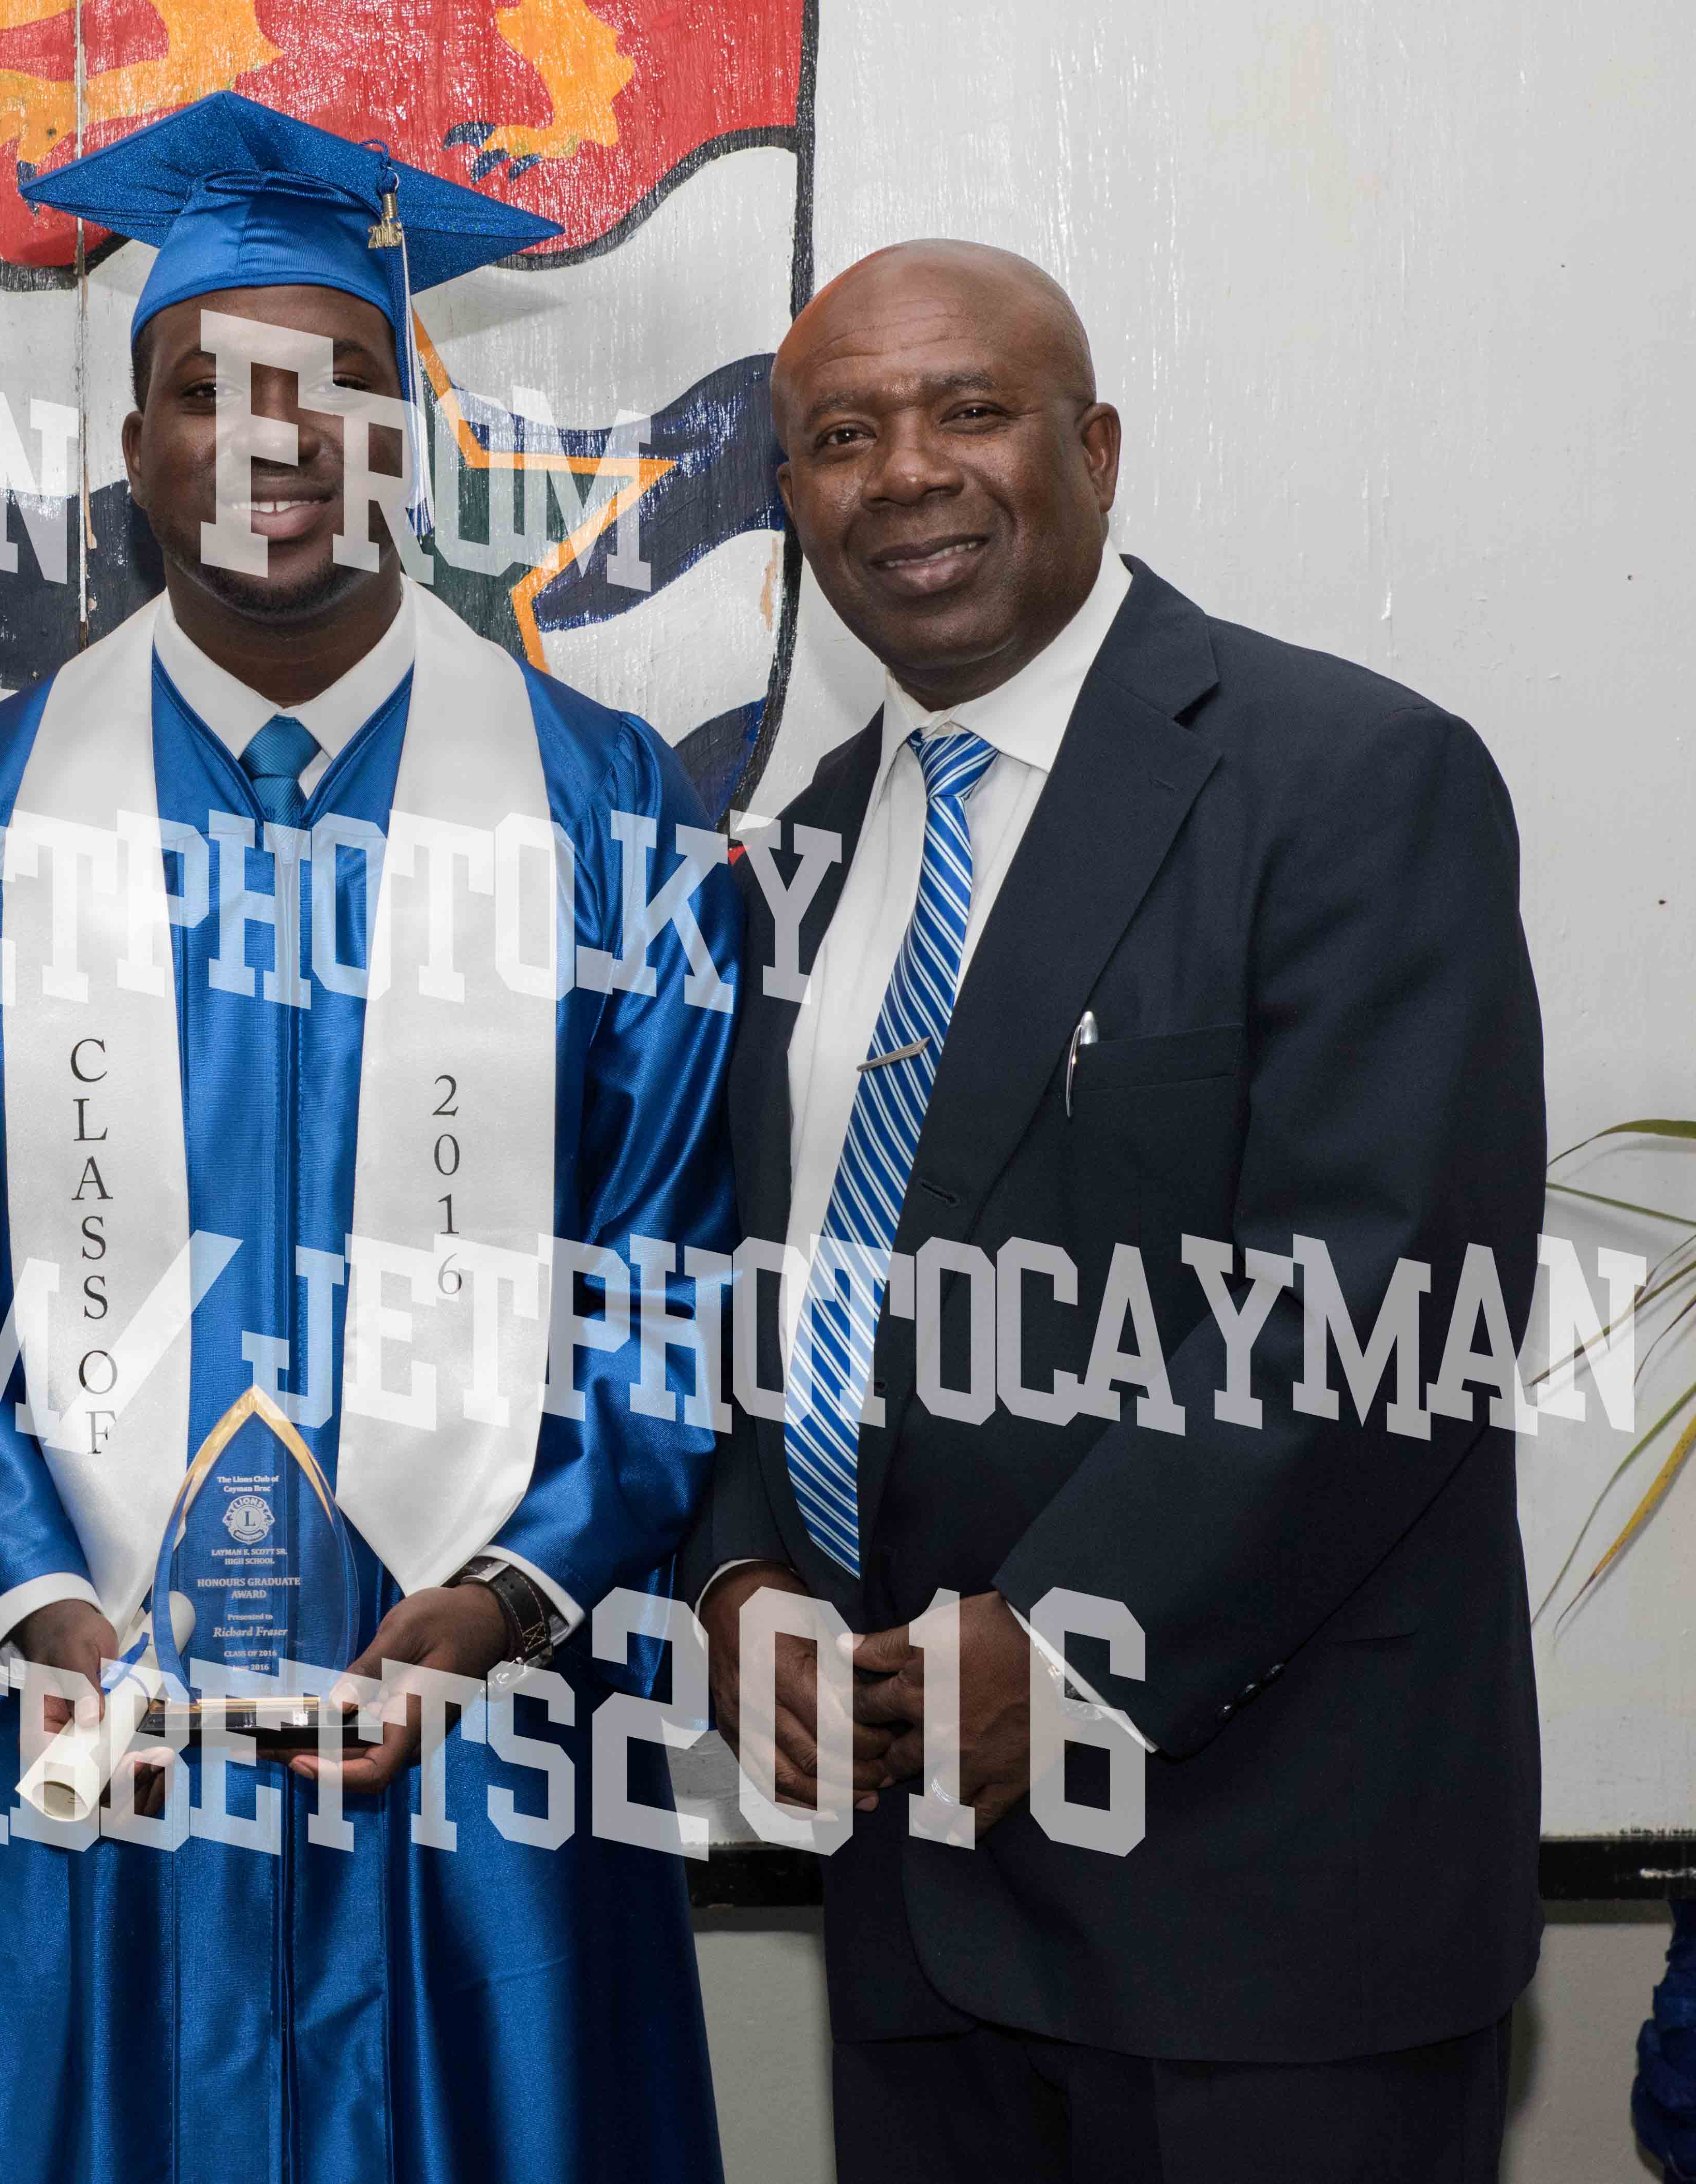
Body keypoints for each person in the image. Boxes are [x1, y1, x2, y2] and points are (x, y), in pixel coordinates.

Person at [0, 93, 736, 2184]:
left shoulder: (606, 810)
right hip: (84, 1735)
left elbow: (670, 1278)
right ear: (131, 445)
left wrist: (507, 1589)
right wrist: (41, 1607)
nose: (274, 436)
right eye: (205, 387)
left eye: (333, 379)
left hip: (480, 1745)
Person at [688, 240, 1542, 2181]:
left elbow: (1379, 1298)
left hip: (1260, 1893)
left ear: (1093, 449)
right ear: (792, 502)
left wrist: (1068, 1638)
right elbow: (759, 1288)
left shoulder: (1345, 776)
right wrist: (738, 1579)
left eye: (969, 410)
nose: (906, 470)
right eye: (841, 436)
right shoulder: (793, 853)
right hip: (913, 1882)